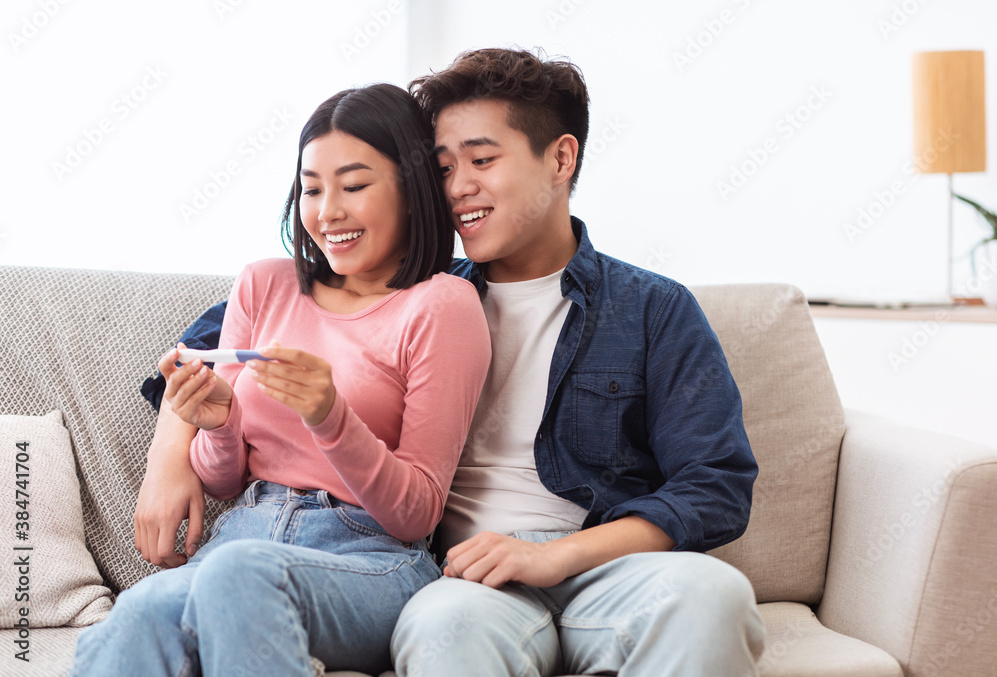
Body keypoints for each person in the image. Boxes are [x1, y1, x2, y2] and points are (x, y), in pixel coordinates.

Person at [137, 49, 766, 676]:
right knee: (446, 632)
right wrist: (170, 458)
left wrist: (556, 556)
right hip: (465, 577)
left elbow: (716, 485)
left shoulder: (651, 308)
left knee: (716, 595)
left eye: (483, 160)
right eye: (441, 168)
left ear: (561, 158)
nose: (458, 187)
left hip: (605, 569)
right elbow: (217, 349)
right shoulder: (412, 290)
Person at [71, 83, 491, 676]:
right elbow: (224, 481)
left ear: (410, 188)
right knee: (139, 611)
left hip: (369, 558)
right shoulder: (264, 285)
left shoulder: (442, 305)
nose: (327, 211)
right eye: (312, 188)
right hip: (244, 530)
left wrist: (331, 416)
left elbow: (417, 512)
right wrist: (219, 423)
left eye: (354, 185)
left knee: (236, 573)